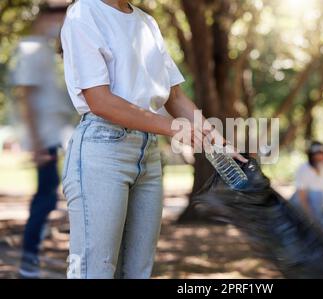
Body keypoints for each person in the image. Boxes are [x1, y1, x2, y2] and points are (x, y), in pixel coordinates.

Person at [60, 0, 247, 279]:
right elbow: (100, 101)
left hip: (147, 153)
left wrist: (216, 140)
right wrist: (172, 128)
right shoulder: (84, 12)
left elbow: (174, 97)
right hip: (103, 147)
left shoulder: (147, 23)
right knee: (94, 271)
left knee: (138, 272)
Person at [8, 1, 75, 278]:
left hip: (52, 136)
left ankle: (30, 257)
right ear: (48, 17)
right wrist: (36, 143)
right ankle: (28, 261)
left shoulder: (45, 50)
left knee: (48, 198)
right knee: (44, 200)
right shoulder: (32, 49)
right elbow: (26, 99)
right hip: (43, 138)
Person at [289, 142, 323, 235]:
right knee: (316, 195)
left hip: (319, 208)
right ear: (311, 155)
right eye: (316, 154)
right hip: (302, 206)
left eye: (322, 153)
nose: (320, 156)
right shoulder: (303, 169)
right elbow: (302, 197)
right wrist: (309, 218)